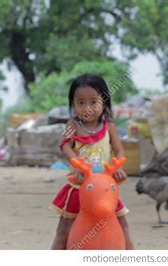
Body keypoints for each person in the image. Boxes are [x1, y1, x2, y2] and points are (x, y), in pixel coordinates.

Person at [49, 74, 134, 249]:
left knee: (123, 225)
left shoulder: (109, 126)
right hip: (79, 186)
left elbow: (118, 149)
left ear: (104, 102)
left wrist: (118, 167)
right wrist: (77, 165)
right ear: (73, 104)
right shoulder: (72, 125)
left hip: (104, 190)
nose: (87, 108)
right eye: (80, 102)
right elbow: (65, 146)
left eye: (93, 102)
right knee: (63, 229)